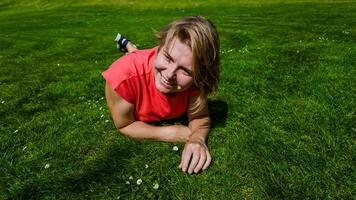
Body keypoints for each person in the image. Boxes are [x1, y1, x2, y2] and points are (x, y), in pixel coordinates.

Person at [102, 16, 220, 174]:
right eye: (168, 57)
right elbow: (125, 124)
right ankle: (131, 50)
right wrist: (167, 133)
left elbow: (200, 118)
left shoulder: (197, 81)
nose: (170, 74)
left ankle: (132, 49)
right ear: (160, 45)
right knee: (134, 58)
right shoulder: (122, 76)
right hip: (134, 66)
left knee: (143, 58)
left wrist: (197, 139)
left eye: (185, 70)